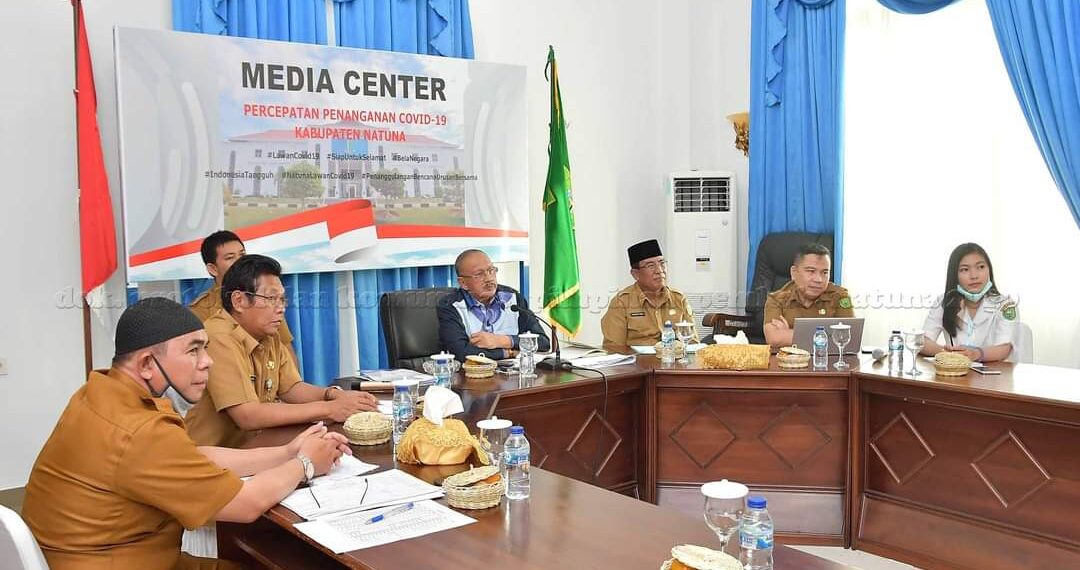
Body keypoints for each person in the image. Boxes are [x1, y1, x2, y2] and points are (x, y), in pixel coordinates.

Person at [21, 298, 349, 570]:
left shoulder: (102, 392)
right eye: (193, 351)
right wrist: (305, 465)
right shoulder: (139, 431)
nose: (207, 362)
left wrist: (286, 453)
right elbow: (245, 504)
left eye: (205, 349)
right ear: (148, 364)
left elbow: (192, 457)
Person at [185, 255, 378, 448]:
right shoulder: (217, 336)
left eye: (282, 300)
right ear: (239, 300)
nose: (281, 308)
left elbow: (291, 388)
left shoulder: (267, 331)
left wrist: (333, 395)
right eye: (271, 299)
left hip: (256, 445)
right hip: (214, 457)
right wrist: (329, 409)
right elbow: (247, 415)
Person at [437, 249, 550, 361]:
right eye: (479, 274)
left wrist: (501, 341)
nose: (489, 278)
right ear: (463, 283)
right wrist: (508, 352)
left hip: (513, 375)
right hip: (472, 376)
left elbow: (543, 342)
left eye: (491, 270)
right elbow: (461, 353)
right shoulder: (450, 306)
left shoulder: (513, 298)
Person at [189, 230, 295, 346]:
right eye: (230, 258)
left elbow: (285, 346)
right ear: (213, 269)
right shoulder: (200, 310)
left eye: (242, 255)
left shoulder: (268, 298)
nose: (239, 261)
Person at [920, 242, 1016, 362]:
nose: (974, 276)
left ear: (989, 270)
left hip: (995, 376)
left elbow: (1004, 348)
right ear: (954, 275)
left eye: (980, 267)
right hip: (955, 374)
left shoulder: (1006, 305)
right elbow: (923, 341)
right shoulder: (944, 302)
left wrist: (976, 354)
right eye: (965, 269)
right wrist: (947, 353)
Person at [601, 239, 696, 351]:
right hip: (638, 366)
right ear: (635, 274)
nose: (660, 270)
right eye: (650, 266)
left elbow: (692, 342)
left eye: (662, 263)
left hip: (674, 363)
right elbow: (613, 349)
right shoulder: (621, 302)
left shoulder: (678, 298)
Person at [763, 243, 854, 347]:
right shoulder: (776, 299)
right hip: (790, 361)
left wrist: (789, 333)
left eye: (824, 272)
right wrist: (831, 336)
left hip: (829, 361)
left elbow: (850, 338)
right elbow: (775, 338)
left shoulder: (840, 296)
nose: (819, 279)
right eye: (811, 271)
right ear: (794, 272)